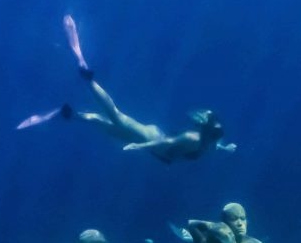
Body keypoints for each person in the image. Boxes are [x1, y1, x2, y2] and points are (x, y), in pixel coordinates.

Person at [19, 16, 237, 163]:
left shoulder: (206, 140)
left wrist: (225, 149)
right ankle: (87, 77)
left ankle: (64, 113)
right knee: (116, 116)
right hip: (147, 137)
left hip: (151, 140)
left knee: (99, 121)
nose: (217, 134)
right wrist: (138, 147)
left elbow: (209, 143)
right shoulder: (194, 138)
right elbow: (167, 142)